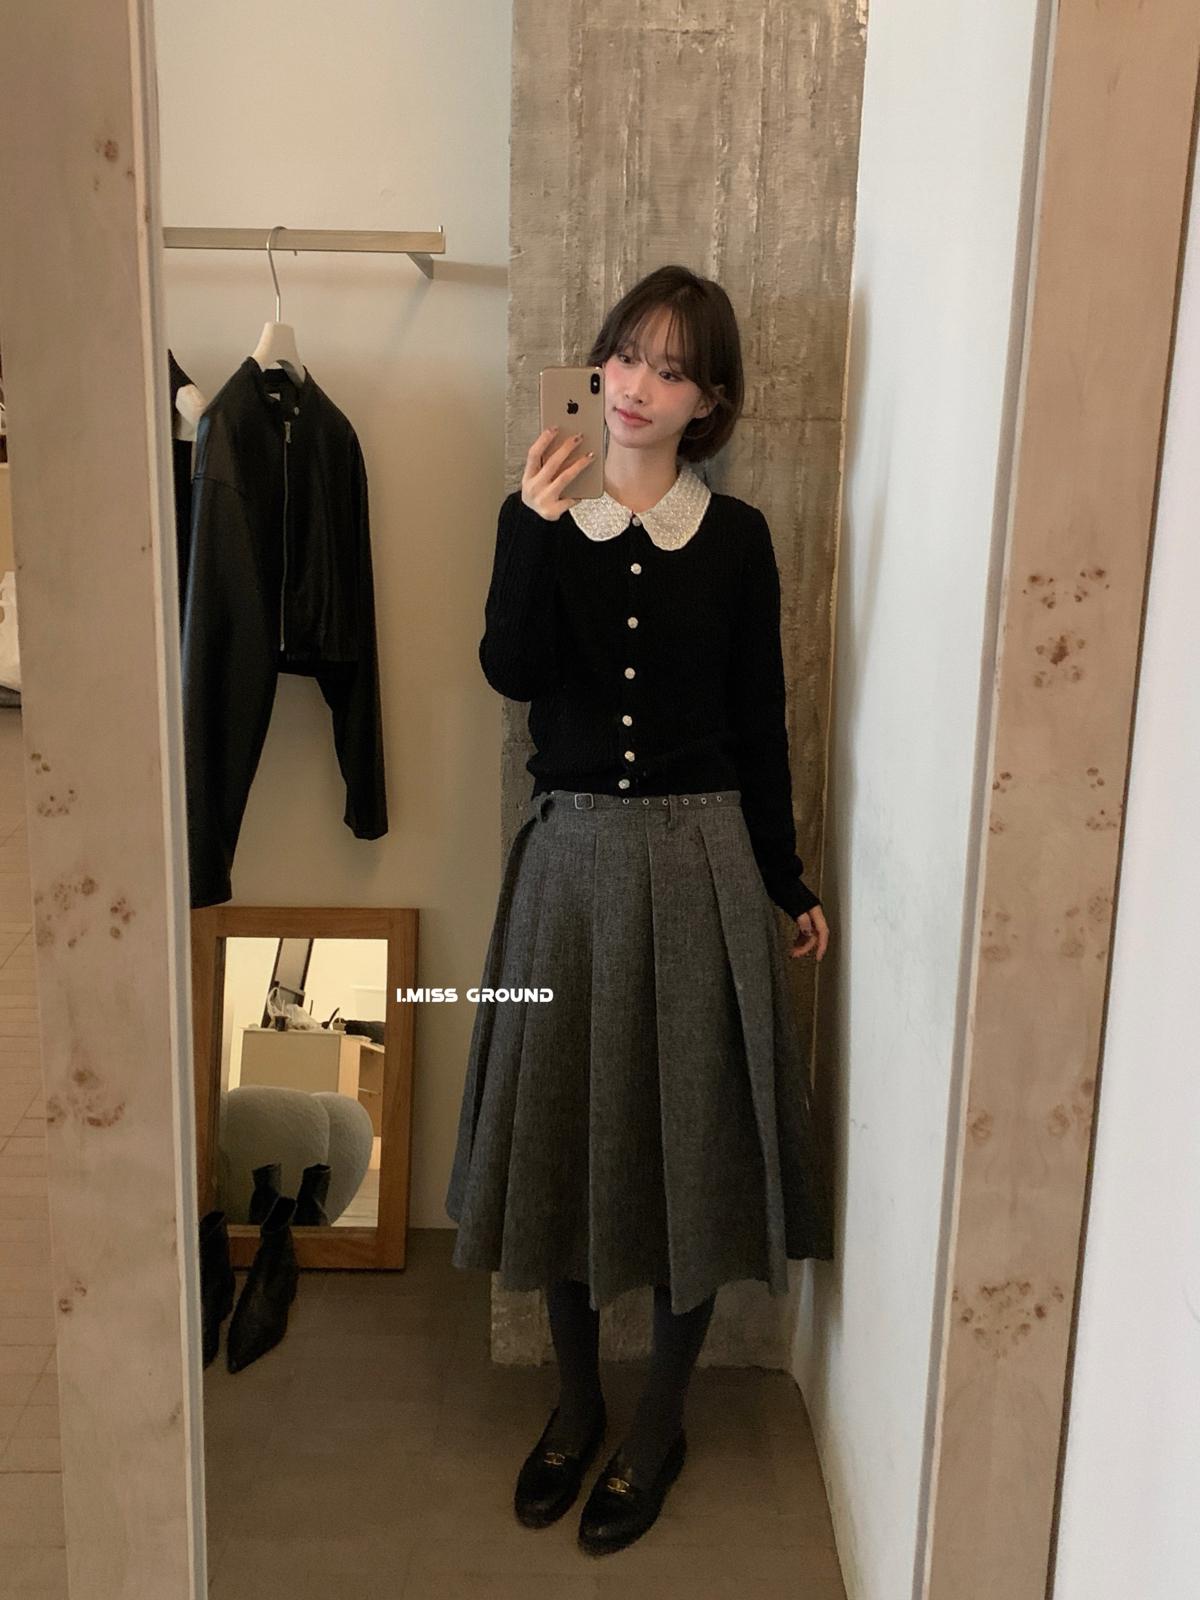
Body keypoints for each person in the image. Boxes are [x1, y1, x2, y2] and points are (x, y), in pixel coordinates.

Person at [445, 264, 835, 1555]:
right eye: (624, 357)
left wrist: (783, 879)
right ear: (597, 366)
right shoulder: (540, 513)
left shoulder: (738, 539)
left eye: (672, 371)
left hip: (702, 865)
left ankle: (658, 1423)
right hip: (567, 871)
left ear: (708, 402)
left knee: (688, 1148)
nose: (637, 387)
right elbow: (511, 669)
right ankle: (576, 1405)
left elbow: (761, 722)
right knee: (558, 1132)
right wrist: (530, 525)